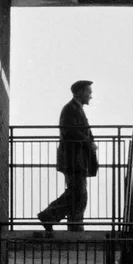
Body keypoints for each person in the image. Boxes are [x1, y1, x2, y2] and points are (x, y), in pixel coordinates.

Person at [37, 80, 98, 232]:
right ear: (79, 92)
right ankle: (51, 216)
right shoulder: (70, 109)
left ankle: (72, 224)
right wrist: (88, 142)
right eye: (88, 92)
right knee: (78, 193)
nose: (91, 96)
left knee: (78, 193)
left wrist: (89, 142)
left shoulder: (75, 109)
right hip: (73, 159)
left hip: (76, 159)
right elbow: (70, 132)